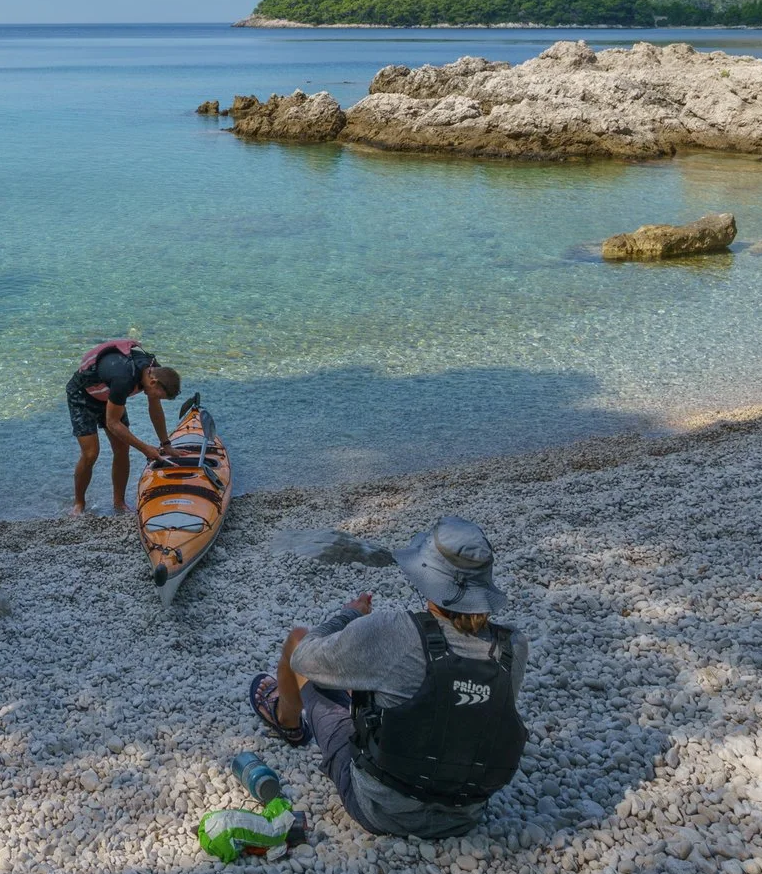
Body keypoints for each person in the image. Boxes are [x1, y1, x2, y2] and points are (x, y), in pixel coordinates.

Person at [246, 515, 528, 837]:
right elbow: (467, 712)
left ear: (428, 577)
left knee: (298, 639)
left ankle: (289, 722)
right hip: (467, 811)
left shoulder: (394, 630)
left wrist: (349, 613)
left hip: (382, 809)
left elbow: (304, 657)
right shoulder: (513, 647)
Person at [66, 338, 183, 514]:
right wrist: (145, 449)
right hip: (82, 397)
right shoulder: (124, 378)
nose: (157, 399)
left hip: (111, 399)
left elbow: (155, 409)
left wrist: (166, 444)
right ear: (153, 382)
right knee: (91, 454)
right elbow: (113, 423)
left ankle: (119, 503)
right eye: (159, 395)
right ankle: (79, 503)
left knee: (122, 449)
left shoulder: (153, 370)